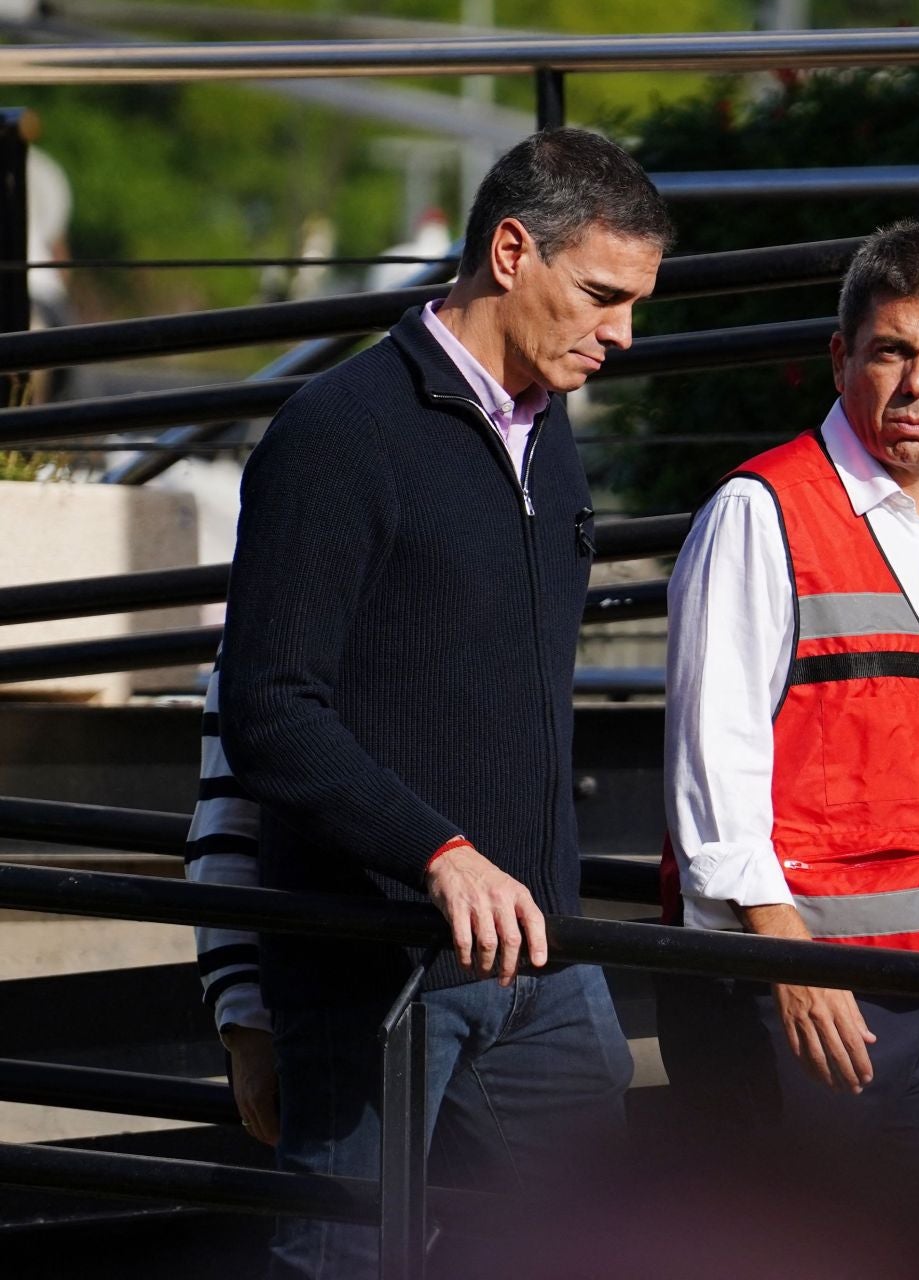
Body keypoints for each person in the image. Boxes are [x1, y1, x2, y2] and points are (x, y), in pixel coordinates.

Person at [211, 127, 673, 1278]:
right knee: (343, 1264)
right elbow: (269, 707)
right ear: (511, 251)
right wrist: (435, 851)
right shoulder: (337, 432)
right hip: (373, 964)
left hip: (543, 962)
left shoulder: (550, 433)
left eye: (636, 302)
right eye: (603, 295)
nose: (624, 332)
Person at [655, 221, 919, 1204]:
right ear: (842, 356)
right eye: (892, 349)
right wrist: (788, 963)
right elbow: (709, 764)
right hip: (792, 999)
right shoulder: (761, 512)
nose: (917, 382)